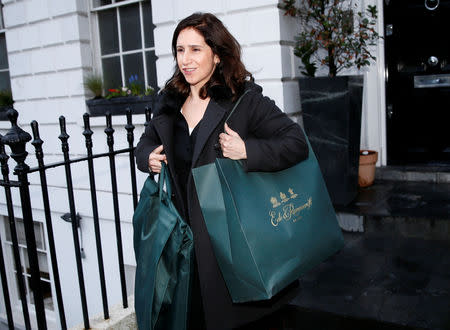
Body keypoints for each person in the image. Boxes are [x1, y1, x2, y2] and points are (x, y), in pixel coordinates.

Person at [135, 12, 309, 330]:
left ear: (216, 55)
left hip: (231, 249)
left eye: (195, 49)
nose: (185, 59)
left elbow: (296, 143)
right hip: (182, 247)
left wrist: (247, 151)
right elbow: (144, 145)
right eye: (180, 50)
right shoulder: (168, 101)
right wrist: (148, 158)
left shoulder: (243, 100)